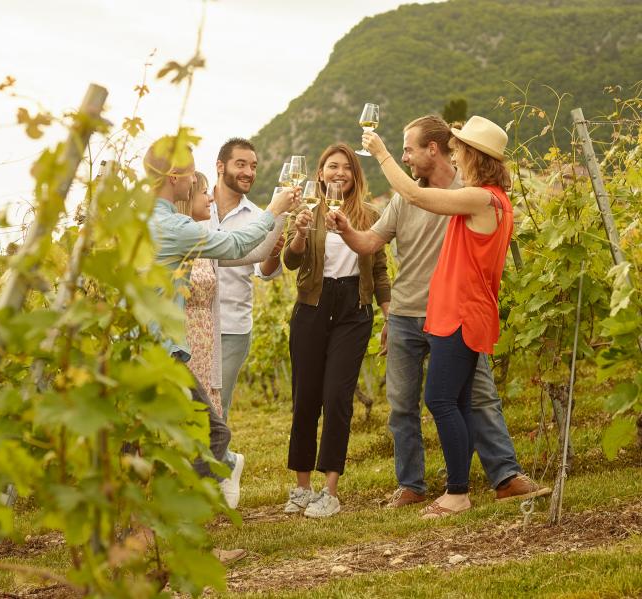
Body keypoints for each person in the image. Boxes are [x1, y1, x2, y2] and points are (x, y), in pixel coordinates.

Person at [329, 115, 550, 511]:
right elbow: (383, 228)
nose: (455, 150)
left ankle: (469, 488)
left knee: (448, 400)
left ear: (474, 156)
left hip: (459, 313)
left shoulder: (477, 197)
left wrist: (379, 154)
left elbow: (418, 198)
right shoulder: (481, 197)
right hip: (434, 313)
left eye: (461, 147)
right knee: (452, 402)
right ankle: (448, 487)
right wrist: (347, 229)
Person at [144, 137, 296, 511]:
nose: (195, 178)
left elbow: (243, 254)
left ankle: (145, 531)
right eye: (191, 170)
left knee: (154, 438)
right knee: (211, 433)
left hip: (139, 346)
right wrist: (275, 209)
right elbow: (235, 246)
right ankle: (185, 527)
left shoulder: (138, 221)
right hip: (161, 351)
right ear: (176, 176)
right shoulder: (176, 227)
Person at [282, 143, 391, 518]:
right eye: (332, 166)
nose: (339, 172)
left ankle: (330, 490)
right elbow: (291, 261)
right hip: (312, 308)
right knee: (306, 397)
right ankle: (301, 489)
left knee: (337, 397)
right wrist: (298, 232)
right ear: (320, 174)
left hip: (353, 310)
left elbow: (378, 271)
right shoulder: (306, 213)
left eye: (346, 167)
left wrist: (389, 316)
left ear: (355, 176)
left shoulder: (370, 215)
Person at [176, 172, 286, 507]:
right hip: (179, 344)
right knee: (189, 427)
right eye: (203, 194)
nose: (209, 200)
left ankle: (200, 496)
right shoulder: (176, 239)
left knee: (206, 426)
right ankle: (218, 473)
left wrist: (281, 215)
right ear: (185, 198)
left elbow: (251, 252)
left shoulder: (205, 239)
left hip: (206, 343)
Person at [211, 138, 285, 423]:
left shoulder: (259, 217)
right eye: (240, 164)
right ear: (221, 166)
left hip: (232, 326)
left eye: (253, 166)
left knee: (218, 407)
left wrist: (273, 253)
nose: (248, 172)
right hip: (191, 321)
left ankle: (218, 464)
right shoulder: (197, 206)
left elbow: (265, 271)